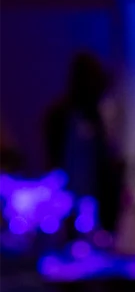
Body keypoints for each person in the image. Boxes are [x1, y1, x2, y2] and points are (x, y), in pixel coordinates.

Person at [43, 50, 125, 233]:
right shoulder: (62, 113)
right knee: (68, 229)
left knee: (92, 231)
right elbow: (53, 151)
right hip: (66, 186)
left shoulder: (96, 114)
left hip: (95, 188)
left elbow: (105, 152)